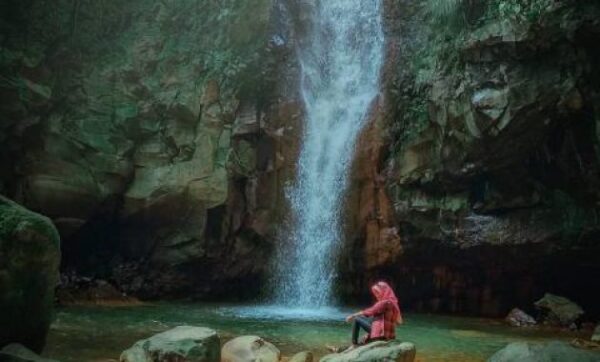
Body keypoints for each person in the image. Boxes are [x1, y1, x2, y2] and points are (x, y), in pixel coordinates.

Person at [328, 281, 402, 352]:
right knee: (370, 322)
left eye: (378, 292)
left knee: (357, 319)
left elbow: (368, 312)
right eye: (375, 293)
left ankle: (354, 344)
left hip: (380, 335)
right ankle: (339, 349)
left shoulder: (384, 303)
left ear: (384, 291)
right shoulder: (394, 304)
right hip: (388, 337)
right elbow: (399, 322)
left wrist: (352, 316)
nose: (376, 295)